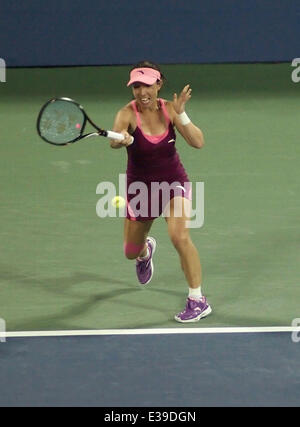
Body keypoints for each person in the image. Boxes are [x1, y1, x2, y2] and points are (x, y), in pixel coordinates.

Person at [110, 60, 211, 323]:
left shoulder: (170, 109)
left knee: (179, 236)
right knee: (130, 251)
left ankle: (197, 300)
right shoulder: (126, 113)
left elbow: (198, 142)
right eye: (136, 87)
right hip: (140, 190)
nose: (142, 92)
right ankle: (145, 252)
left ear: (159, 84)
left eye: (147, 85)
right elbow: (114, 139)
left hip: (173, 182)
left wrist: (182, 114)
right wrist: (122, 139)